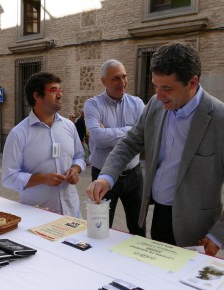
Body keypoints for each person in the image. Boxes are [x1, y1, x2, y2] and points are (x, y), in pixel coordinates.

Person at [86, 42, 224, 256]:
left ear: (192, 82)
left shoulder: (219, 118)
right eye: (155, 87)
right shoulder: (155, 105)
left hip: (198, 230)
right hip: (158, 215)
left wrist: (218, 235)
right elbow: (130, 142)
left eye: (167, 88)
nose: (159, 96)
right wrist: (106, 177)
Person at [2, 72, 85, 218]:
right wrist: (43, 179)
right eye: (53, 90)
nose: (60, 95)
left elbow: (79, 156)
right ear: (37, 96)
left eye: (60, 90)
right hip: (38, 215)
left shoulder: (69, 126)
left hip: (72, 212)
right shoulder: (18, 134)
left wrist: (76, 169)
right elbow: (9, 178)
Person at [84, 59, 145, 236]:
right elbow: (97, 137)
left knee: (138, 228)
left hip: (134, 176)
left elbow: (144, 136)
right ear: (103, 81)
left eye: (124, 77)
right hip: (103, 176)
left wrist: (110, 132)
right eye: (116, 78)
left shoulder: (137, 104)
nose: (122, 83)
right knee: (100, 228)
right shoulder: (93, 104)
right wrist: (132, 130)